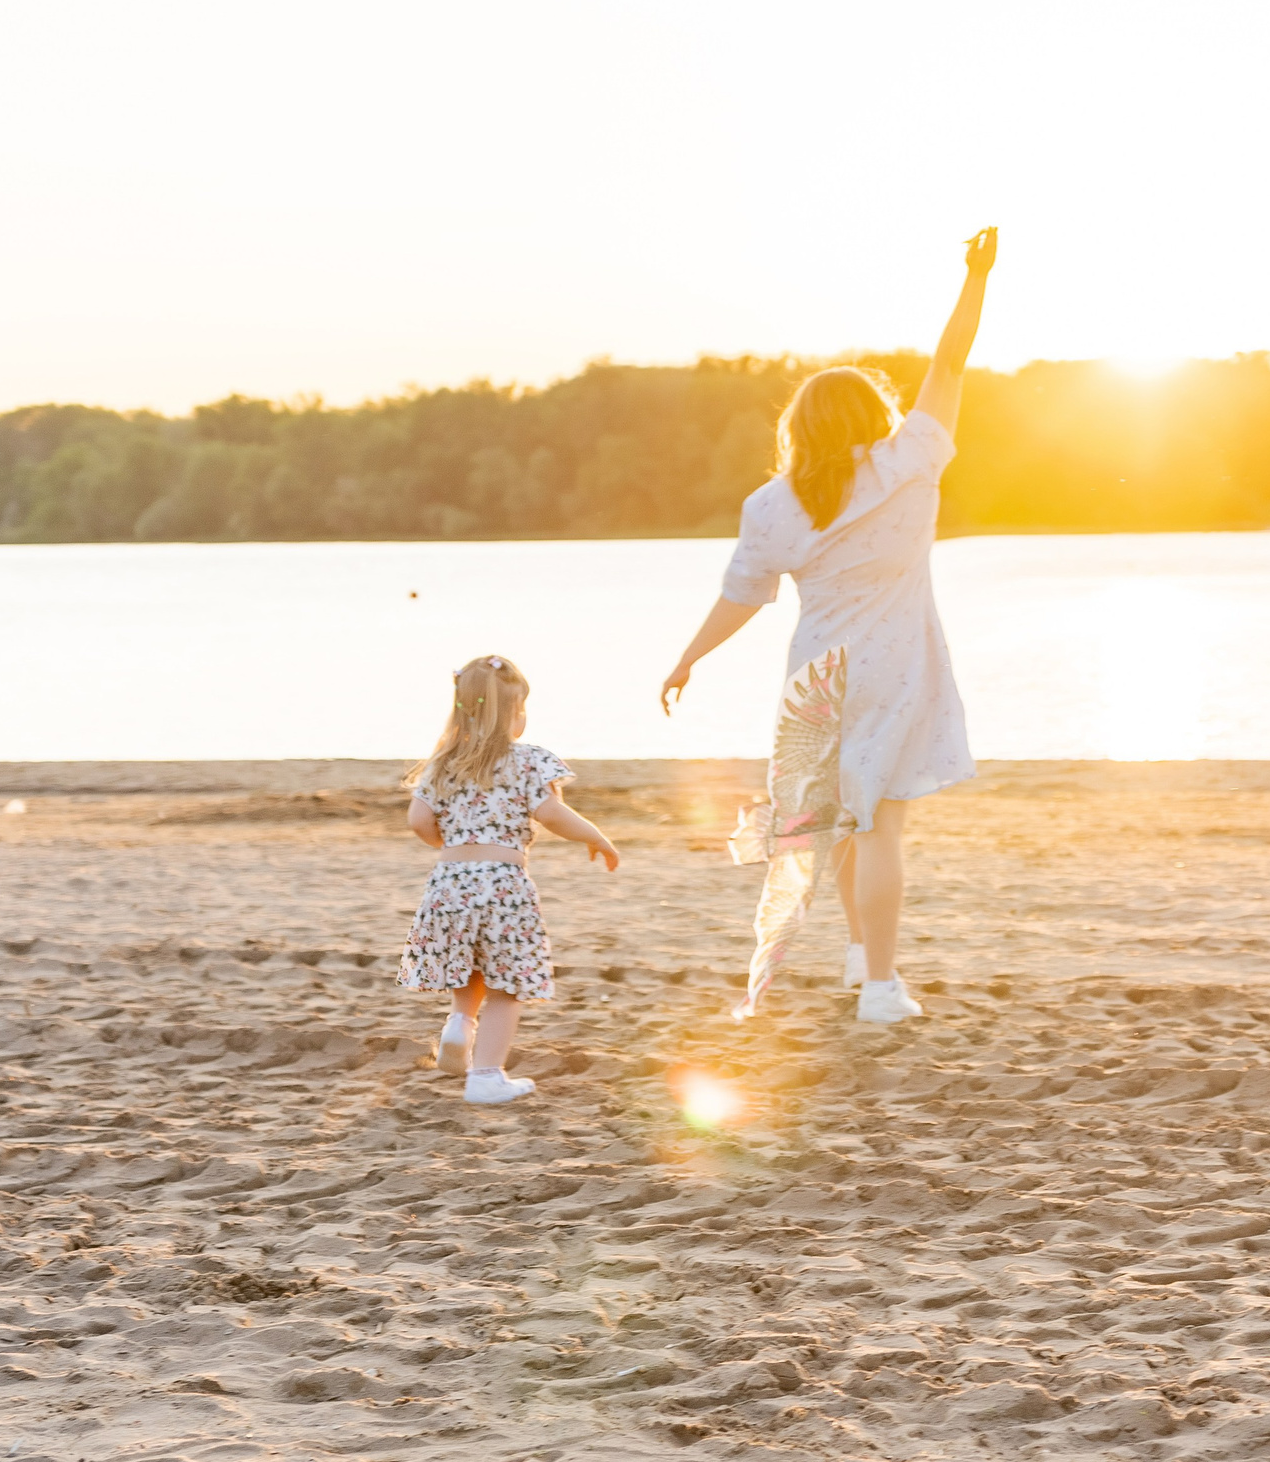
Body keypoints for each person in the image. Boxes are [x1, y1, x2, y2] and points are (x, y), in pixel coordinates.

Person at [662, 228, 997, 1023]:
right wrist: (976, 279)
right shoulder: (907, 461)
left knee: (850, 818)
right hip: (894, 665)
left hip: (816, 671)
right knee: (879, 824)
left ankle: (857, 954)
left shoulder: (772, 504)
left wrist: (689, 657)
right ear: (871, 416)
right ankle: (881, 987)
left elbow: (742, 595)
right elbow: (949, 365)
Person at [397, 654, 619, 1104]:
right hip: (503, 884)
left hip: (449, 882)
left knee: (467, 961)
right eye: (520, 709)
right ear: (513, 714)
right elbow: (551, 813)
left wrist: (451, 842)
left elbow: (418, 819)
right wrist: (595, 836)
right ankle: (485, 1076)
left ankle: (460, 1023)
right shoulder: (529, 761)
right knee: (505, 983)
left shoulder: (442, 764)